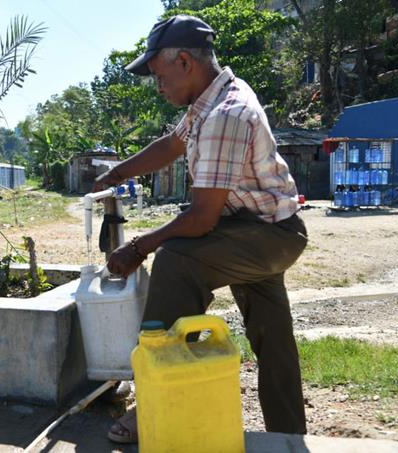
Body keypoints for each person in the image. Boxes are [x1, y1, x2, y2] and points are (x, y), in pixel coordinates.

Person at [93, 15, 309, 444]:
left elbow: (201, 219)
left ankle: (151, 401)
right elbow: (171, 145)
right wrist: (117, 173)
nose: (158, 87)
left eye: (159, 76)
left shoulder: (226, 114)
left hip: (267, 236)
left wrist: (139, 247)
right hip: (262, 228)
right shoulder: (208, 102)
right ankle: (288, 435)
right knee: (273, 337)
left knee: (176, 259)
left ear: (185, 62)